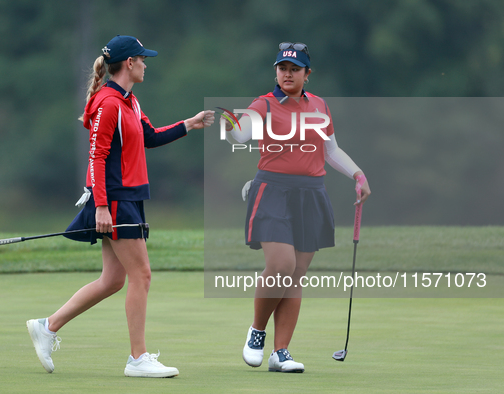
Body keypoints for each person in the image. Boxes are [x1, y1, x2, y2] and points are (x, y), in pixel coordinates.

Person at [26, 35, 214, 378]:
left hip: (129, 197)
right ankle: (138, 358)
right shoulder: (108, 102)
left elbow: (151, 137)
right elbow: (96, 156)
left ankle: (47, 326)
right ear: (129, 63)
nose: (146, 64)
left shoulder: (130, 101)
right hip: (115, 199)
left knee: (113, 280)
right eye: (143, 59)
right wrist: (101, 207)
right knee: (141, 275)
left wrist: (190, 123)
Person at [225, 42, 371, 373]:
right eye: (282, 69)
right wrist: (233, 126)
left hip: (311, 193)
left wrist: (358, 174)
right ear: (276, 72)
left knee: (295, 274)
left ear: (307, 73)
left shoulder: (319, 105)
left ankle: (281, 352)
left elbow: (331, 150)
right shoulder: (263, 104)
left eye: (294, 69)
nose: (287, 74)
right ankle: (257, 332)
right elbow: (241, 133)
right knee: (281, 265)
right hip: (273, 191)